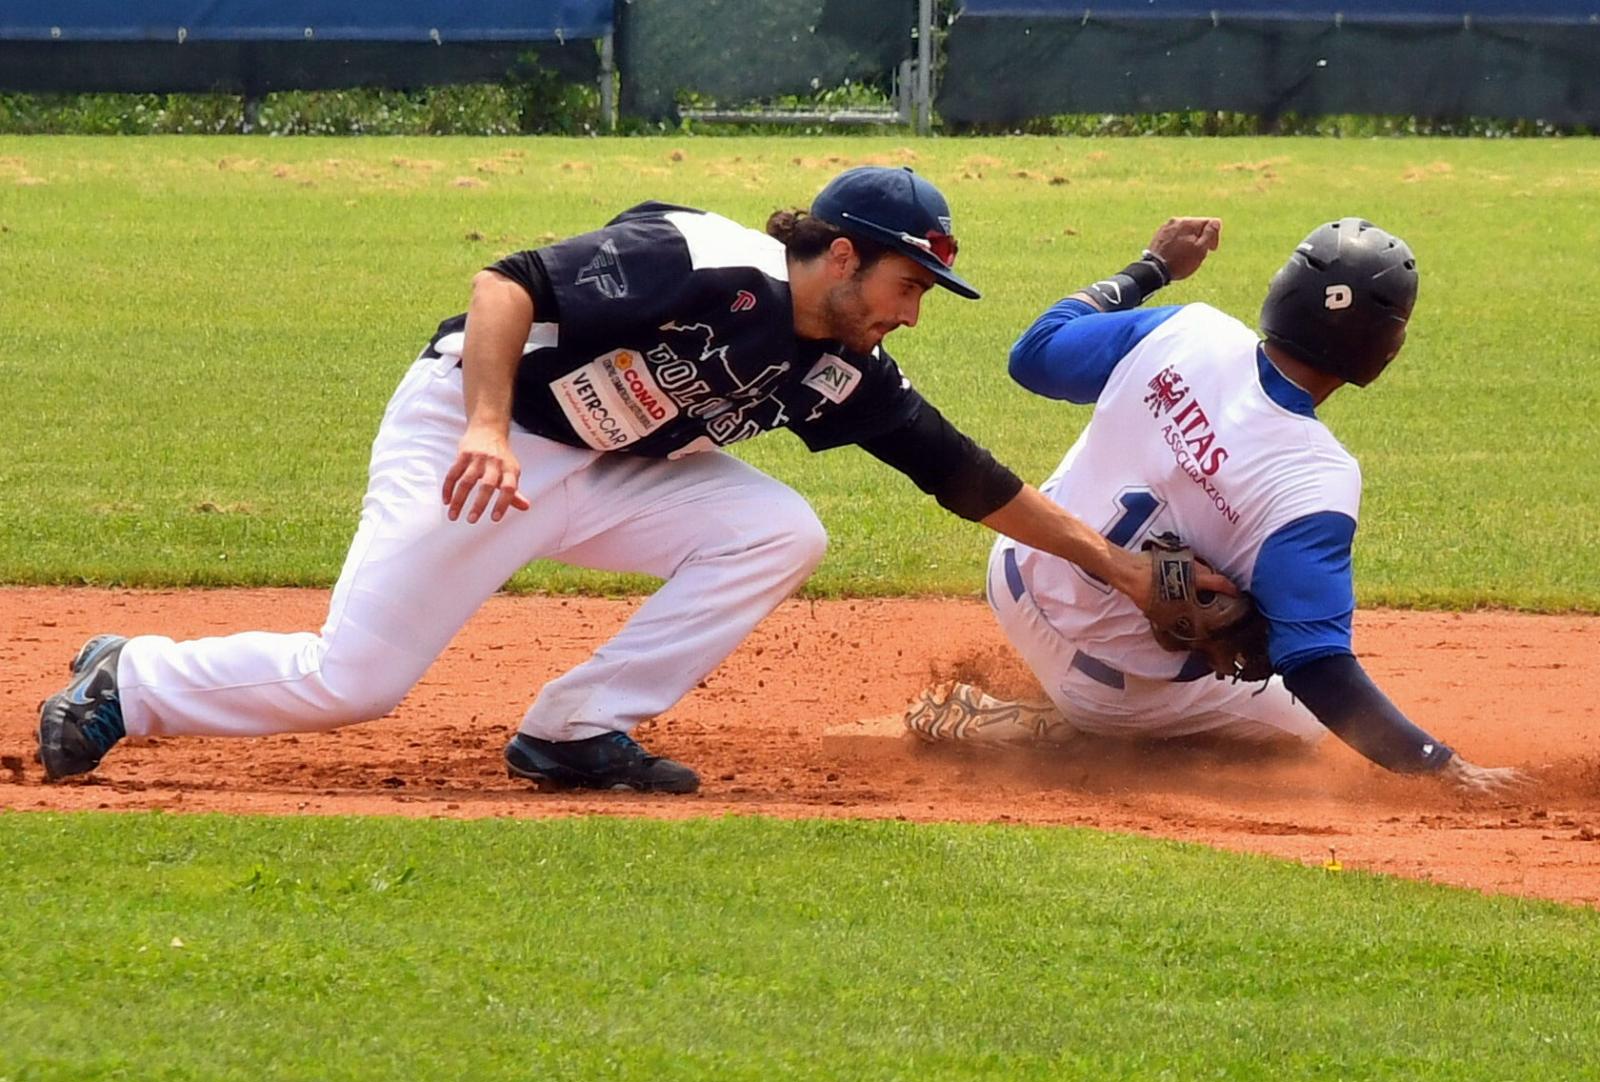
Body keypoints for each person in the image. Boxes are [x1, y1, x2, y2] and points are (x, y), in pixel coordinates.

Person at [38, 166, 1192, 795]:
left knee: (777, 529)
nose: (911, 310)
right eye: (908, 283)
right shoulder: (703, 261)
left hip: (615, 470)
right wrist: (488, 427)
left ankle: (576, 729)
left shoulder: (844, 364)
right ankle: (131, 679)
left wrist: (1121, 574)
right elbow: (506, 284)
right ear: (841, 254)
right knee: (356, 680)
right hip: (477, 433)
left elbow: (967, 477)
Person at [906, 215, 1526, 795]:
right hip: (1105, 689)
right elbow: (1318, 667)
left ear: (1282, 292)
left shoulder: (1188, 329)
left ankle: (1078, 708)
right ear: (1382, 353)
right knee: (1300, 723)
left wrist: (1151, 267)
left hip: (1015, 575)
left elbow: (1034, 355)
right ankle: (1068, 735)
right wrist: (1439, 766)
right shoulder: (1317, 481)